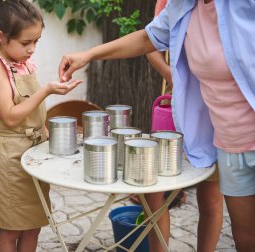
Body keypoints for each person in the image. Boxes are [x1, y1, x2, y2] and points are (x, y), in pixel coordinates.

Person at [58, 1, 255, 251]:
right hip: (231, 145)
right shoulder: (182, 7)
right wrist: (88, 54)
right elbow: (147, 38)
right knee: (247, 241)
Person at [0, 0, 82, 251]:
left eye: (36, 41)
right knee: (11, 228)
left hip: (34, 153)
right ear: (0, 37)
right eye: (26, 42)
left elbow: (33, 113)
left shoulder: (23, 64)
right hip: (12, 159)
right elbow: (11, 117)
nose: (32, 49)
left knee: (34, 224)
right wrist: (46, 90)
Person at [144, 1, 223, 251]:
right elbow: (150, 42)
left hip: (215, 114)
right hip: (174, 111)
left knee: (210, 198)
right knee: (155, 192)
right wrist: (171, 75)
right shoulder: (168, 3)